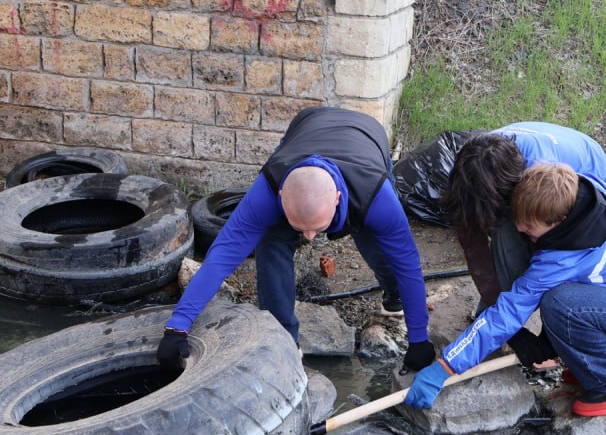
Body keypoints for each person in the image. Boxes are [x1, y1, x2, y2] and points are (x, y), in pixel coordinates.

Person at [405, 162, 606, 416]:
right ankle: (595, 364)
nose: (522, 235)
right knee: (567, 302)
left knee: (561, 304)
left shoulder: (565, 256)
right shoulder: (590, 195)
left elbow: (508, 313)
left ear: (558, 221)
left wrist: (445, 367)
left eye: (529, 230)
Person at [157, 106, 436, 375]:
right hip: (308, 125)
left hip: (366, 135)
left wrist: (419, 340)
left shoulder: (376, 197)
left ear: (338, 199)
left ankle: (393, 295)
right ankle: (283, 338)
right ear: (280, 197)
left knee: (373, 236)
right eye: (300, 228)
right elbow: (223, 255)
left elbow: (408, 263)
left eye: (317, 228)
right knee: (271, 240)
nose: (309, 238)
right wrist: (178, 325)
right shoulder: (267, 190)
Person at [440, 123, 606, 367]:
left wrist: (552, 333)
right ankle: (491, 321)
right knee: (508, 245)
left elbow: (558, 264)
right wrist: (501, 316)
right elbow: (473, 243)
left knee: (539, 266)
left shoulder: (545, 178)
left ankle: (565, 336)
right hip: (530, 182)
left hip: (597, 200)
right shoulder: (474, 164)